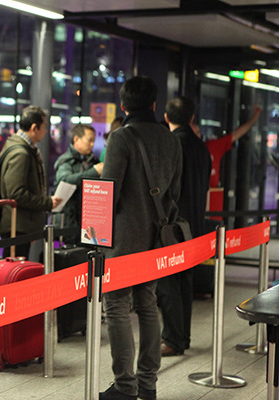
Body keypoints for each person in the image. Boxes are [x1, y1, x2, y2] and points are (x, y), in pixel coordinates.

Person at [100, 76, 182, 400]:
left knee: (117, 307)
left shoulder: (121, 138)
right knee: (148, 304)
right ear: (153, 104)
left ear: (123, 106)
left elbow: (109, 192)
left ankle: (124, 386)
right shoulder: (170, 138)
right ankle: (147, 383)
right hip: (157, 238)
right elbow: (175, 191)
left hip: (123, 239)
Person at [157, 97, 211, 357]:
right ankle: (183, 336)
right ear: (191, 118)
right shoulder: (202, 147)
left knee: (168, 283)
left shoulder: (171, 144)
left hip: (174, 228)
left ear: (167, 118)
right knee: (186, 282)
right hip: (196, 227)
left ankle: (173, 339)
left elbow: (167, 188)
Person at [0, 105, 62, 258]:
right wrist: (46, 203)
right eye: (44, 127)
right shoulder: (21, 153)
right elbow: (16, 193)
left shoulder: (20, 148)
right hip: (17, 225)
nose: (46, 131)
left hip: (20, 224)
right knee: (14, 272)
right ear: (34, 127)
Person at [54, 124, 102, 244]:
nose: (92, 144)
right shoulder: (66, 161)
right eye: (89, 140)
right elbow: (65, 180)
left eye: (94, 141)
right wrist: (94, 172)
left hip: (90, 221)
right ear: (76, 139)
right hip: (69, 220)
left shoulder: (93, 161)